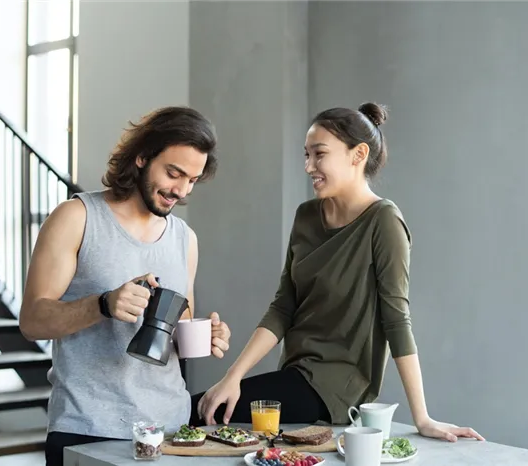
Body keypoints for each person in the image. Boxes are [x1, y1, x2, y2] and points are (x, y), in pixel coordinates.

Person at [191, 103, 484, 443]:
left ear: (358, 154)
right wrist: (233, 377)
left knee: (196, 410)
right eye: (306, 155)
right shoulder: (305, 217)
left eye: (319, 155)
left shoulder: (383, 222)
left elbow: (396, 320)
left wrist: (422, 417)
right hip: (295, 377)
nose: (308, 166)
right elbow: (283, 308)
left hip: (334, 393)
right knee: (205, 409)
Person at [19, 106, 232, 466]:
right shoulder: (77, 217)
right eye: (173, 173)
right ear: (142, 156)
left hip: (172, 430)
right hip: (88, 429)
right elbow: (32, 321)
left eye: (192, 180)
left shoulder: (185, 239)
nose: (180, 190)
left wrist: (207, 335)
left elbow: (178, 330)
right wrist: (102, 305)